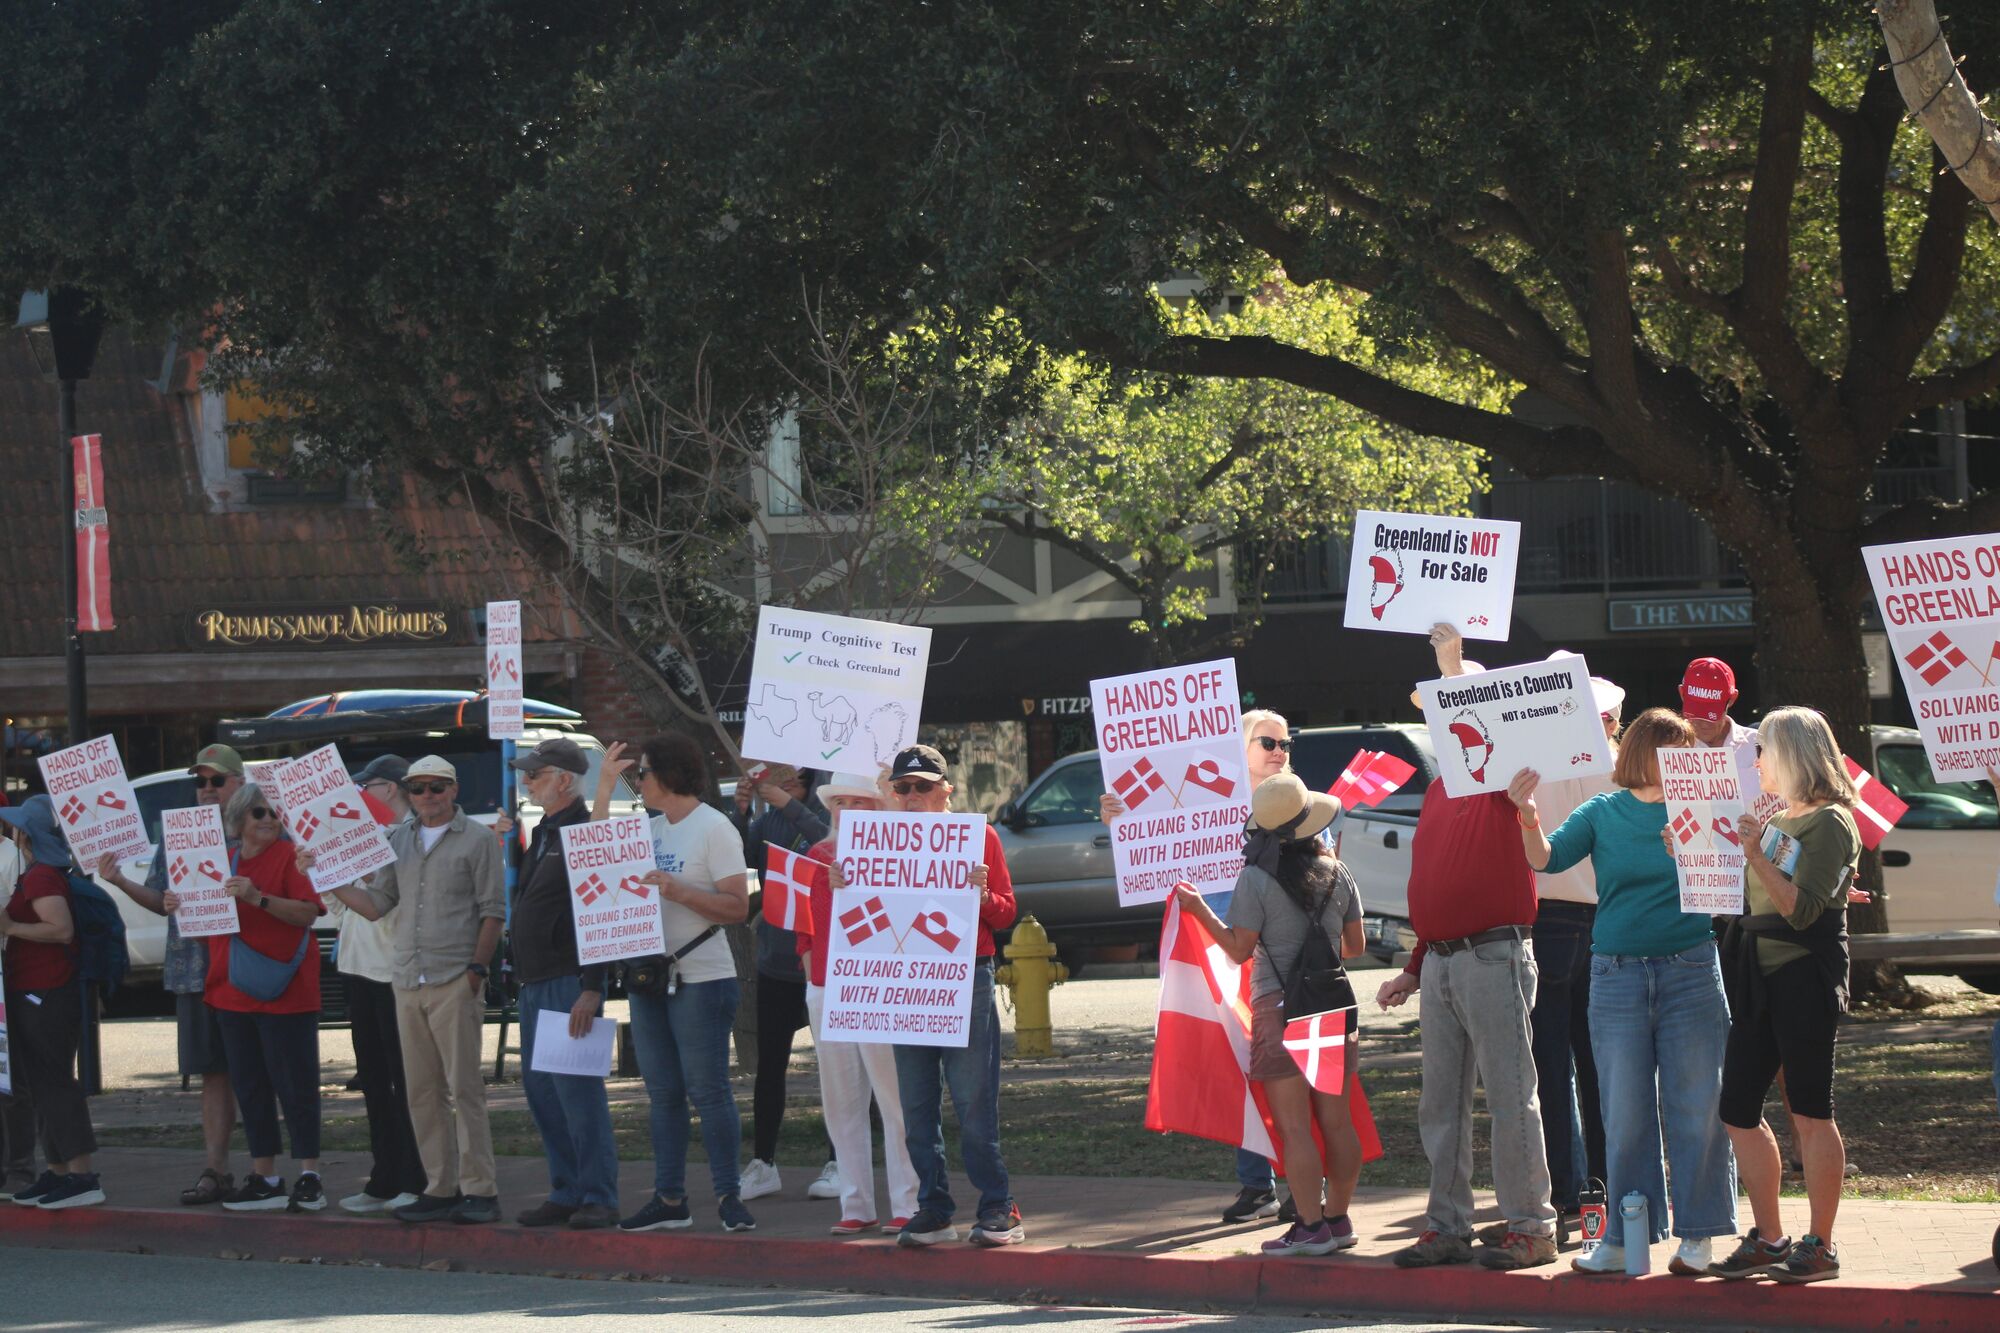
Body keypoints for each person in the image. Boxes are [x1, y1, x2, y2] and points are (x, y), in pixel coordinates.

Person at [1509, 707, 1737, 1275]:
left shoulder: (1703, 807)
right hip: (1616, 976)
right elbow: (1548, 859)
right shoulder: (1602, 811)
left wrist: (1695, 850)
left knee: (1697, 1107)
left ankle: (1699, 1235)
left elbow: (1734, 882)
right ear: (1650, 754)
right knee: (1625, 1112)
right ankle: (1624, 1240)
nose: (1689, 760)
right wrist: (1528, 817)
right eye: (1679, 749)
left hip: (1690, 968)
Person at [1379, 628, 1556, 1272]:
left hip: (1491, 955)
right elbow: (1437, 887)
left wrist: (1449, 665)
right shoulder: (1437, 790)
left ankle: (1531, 1225)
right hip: (1449, 960)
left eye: (1446, 709)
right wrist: (1415, 967)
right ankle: (1447, 1226)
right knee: (1441, 1102)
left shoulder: (1498, 776)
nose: (1435, 720)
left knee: (1510, 1094)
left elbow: (1475, 713)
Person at [1100, 706, 1306, 1225]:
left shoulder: (1301, 807)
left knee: (1291, 1069)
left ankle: (1307, 1184)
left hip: (1284, 960)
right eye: (1268, 742)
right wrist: (1125, 823)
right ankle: (1259, 1185)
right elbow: (1156, 864)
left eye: (1286, 742)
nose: (1280, 751)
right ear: (1237, 751)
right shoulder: (1201, 806)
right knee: (1244, 1063)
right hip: (1225, 954)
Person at [1175, 772, 1365, 1256]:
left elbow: (1240, 951)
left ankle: (1309, 1228)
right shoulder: (1337, 871)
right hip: (1334, 1005)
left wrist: (1199, 911)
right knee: (1338, 1121)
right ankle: (1338, 1220)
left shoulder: (1255, 878)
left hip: (1280, 1009)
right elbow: (1356, 947)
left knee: (1295, 1126)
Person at [1708, 708, 1863, 1284]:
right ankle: (1771, 1238)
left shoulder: (1830, 820)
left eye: (1763, 751)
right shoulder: (1781, 819)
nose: (1756, 762)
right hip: (1759, 975)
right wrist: (1691, 856)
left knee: (1810, 1110)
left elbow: (1800, 910)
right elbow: (1761, 900)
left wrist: (1754, 855)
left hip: (1803, 975)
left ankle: (1820, 1244)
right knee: (1737, 1109)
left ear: (1794, 754)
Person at [322, 755, 506, 1224]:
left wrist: (476, 971)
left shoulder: (479, 840)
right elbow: (378, 903)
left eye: (437, 787)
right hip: (406, 979)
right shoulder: (398, 840)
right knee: (421, 1091)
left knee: (464, 1089)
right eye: (419, 788)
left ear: (454, 788)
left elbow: (493, 911)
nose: (428, 795)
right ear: (407, 792)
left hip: (454, 977)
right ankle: (438, 1187)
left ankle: (480, 1190)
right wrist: (330, 878)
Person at [593, 734, 756, 1234]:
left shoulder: (714, 828)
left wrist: (678, 891)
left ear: (667, 776)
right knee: (662, 1093)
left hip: (703, 977)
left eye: (641, 773)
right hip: (652, 977)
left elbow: (737, 907)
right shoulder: (652, 828)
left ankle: (730, 1197)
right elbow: (596, 853)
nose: (638, 782)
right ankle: (670, 1199)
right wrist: (603, 785)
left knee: (708, 1091)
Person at [880, 744, 1022, 1248]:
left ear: (947, 790)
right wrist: (842, 883)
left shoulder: (977, 837)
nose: (913, 795)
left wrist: (982, 896)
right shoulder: (879, 845)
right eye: (904, 788)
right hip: (902, 983)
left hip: (966, 977)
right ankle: (934, 1209)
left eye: (923, 786)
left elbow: (1006, 913)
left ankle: (998, 1207)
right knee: (916, 1109)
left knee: (973, 1103)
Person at [166, 784, 329, 1210]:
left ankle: (309, 1176)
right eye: (259, 812)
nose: (270, 819)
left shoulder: (289, 857)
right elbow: (203, 924)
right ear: (238, 821)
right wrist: (177, 903)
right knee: (251, 1088)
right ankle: (265, 1176)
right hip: (230, 994)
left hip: (286, 993)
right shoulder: (220, 863)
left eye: (274, 812)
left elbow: (309, 912)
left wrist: (258, 898)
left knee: (296, 1087)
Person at [97, 742, 243, 1206]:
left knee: (258, 1072)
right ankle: (216, 1169)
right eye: (199, 781)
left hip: (246, 970)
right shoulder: (181, 833)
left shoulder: (258, 828)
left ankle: (270, 1172)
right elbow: (161, 899)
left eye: (216, 780)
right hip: (195, 972)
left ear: (237, 784)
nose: (205, 789)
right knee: (212, 1073)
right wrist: (120, 880)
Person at [1519, 653, 1622, 1235]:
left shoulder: (1531, 763)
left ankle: (1566, 1195)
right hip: (1606, 916)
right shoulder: (1617, 766)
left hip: (1548, 916)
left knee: (1551, 1070)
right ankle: (1604, 1198)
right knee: (1601, 1066)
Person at [794, 769, 920, 1234]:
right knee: (841, 1101)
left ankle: (907, 1200)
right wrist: (815, 983)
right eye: (840, 803)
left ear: (879, 806)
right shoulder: (819, 856)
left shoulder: (901, 855)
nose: (846, 811)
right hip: (828, 988)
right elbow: (805, 933)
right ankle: (855, 1205)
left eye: (859, 802)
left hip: (879, 985)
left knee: (894, 1098)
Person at [506, 737, 620, 1230]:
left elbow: (600, 907)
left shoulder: (582, 828)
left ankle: (597, 1194)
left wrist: (592, 986)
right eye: (526, 774)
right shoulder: (547, 831)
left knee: (577, 1094)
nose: (526, 782)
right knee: (543, 1093)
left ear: (564, 780)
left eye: (535, 774)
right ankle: (567, 1188)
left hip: (568, 980)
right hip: (536, 981)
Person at [731, 763, 838, 1206]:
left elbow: (827, 845)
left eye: (790, 777)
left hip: (825, 963)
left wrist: (788, 804)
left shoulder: (830, 809)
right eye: (776, 776)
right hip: (778, 958)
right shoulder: (768, 817)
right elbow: (740, 856)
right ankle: (764, 1163)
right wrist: (740, 811)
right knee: (770, 1066)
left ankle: (839, 1159)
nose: (778, 781)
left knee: (837, 1066)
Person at [330, 754, 425, 1214]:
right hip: (356, 969)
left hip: (393, 973)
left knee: (404, 1081)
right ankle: (383, 1175)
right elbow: (338, 906)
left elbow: (392, 903)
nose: (358, 794)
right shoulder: (360, 836)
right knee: (371, 1079)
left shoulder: (408, 837)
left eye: (365, 786)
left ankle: (416, 1174)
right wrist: (324, 866)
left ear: (388, 789)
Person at [0, 796, 102, 1209]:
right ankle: (59, 1172)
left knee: (57, 1084)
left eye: (18, 826)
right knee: (43, 1084)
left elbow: (61, 930)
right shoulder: (38, 872)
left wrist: (11, 925)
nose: (12, 830)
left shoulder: (42, 876)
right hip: (34, 991)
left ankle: (82, 1175)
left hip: (47, 993)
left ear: (28, 834)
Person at [0, 821, 37, 1199]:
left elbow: (15, 916)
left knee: (9, 1078)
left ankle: (21, 1166)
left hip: (3, 977)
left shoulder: (10, 856)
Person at [1681, 658, 1755, 750]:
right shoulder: (1668, 747)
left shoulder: (1759, 744)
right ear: (1681, 694)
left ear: (1732, 699)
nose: (1704, 724)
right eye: (1697, 713)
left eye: (1712, 714)